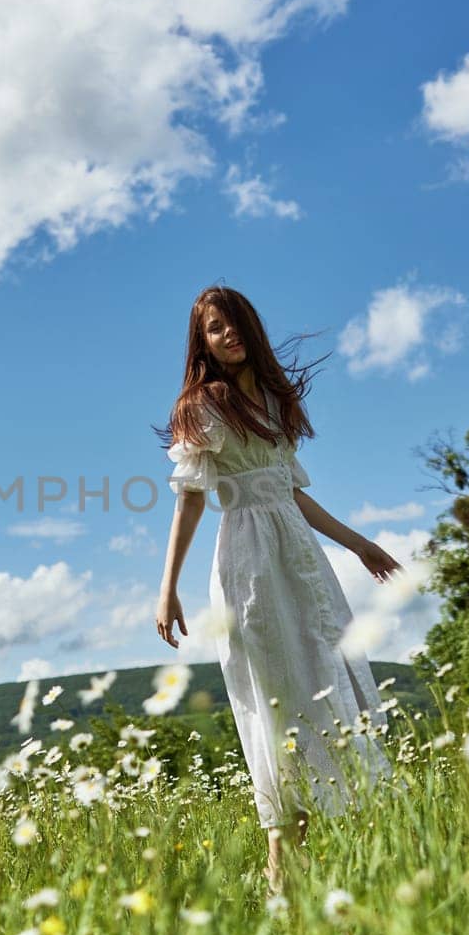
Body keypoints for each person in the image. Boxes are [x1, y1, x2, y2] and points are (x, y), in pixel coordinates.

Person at [153, 285, 402, 897]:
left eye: (233, 323)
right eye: (214, 328)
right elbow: (189, 500)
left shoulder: (274, 399)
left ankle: (335, 872)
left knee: (324, 680)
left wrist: (358, 543)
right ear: (202, 341)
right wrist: (168, 588)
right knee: (276, 700)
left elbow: (290, 490)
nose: (227, 334)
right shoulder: (200, 406)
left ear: (250, 328)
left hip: (300, 556)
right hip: (249, 561)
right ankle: (280, 879)